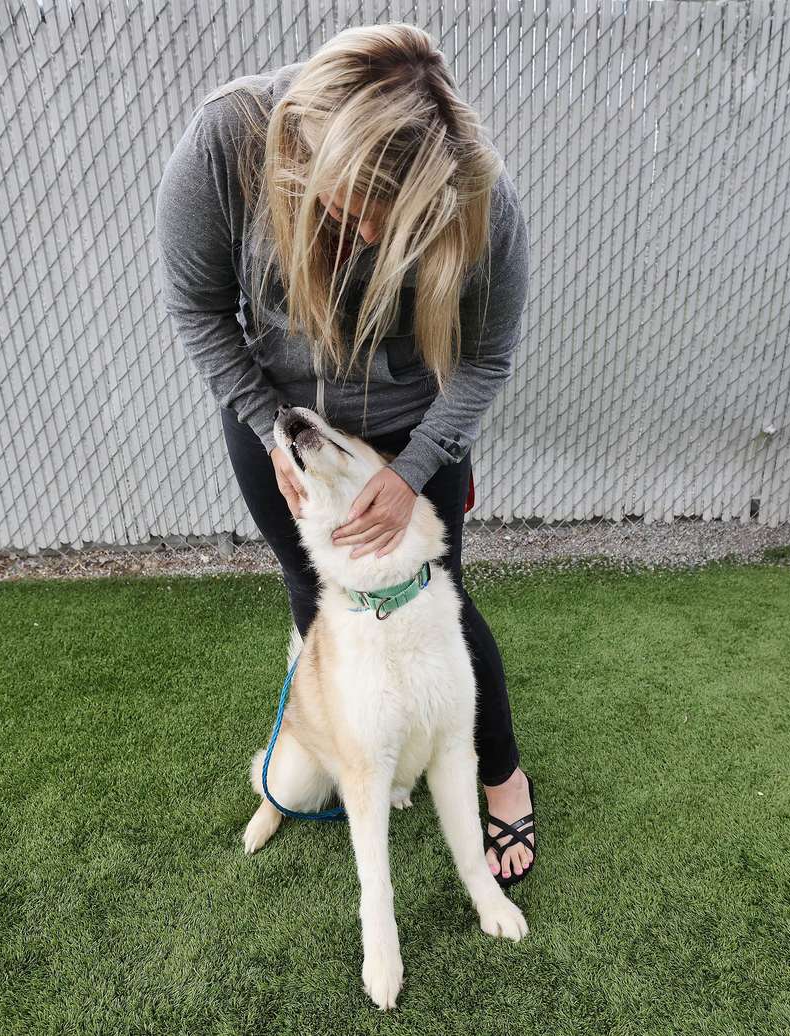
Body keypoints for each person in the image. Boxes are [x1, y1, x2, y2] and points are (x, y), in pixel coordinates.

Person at [155, 23, 536, 886]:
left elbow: (487, 358)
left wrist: (413, 470)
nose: (368, 240)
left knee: (436, 604)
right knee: (319, 596)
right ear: (312, 152)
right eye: (359, 208)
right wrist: (264, 426)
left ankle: (501, 774)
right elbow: (197, 308)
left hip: (411, 432)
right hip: (282, 427)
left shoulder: (478, 192)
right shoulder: (228, 141)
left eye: (393, 225)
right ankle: (369, 749)